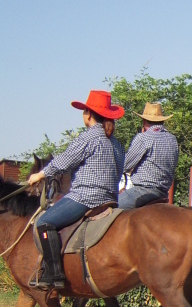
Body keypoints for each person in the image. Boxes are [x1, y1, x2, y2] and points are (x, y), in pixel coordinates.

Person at [27, 89, 125, 290]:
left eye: (84, 111)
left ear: (88, 114)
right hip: (110, 199)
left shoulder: (89, 137)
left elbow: (64, 161)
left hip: (86, 197)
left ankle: (54, 274)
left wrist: (39, 174)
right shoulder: (116, 143)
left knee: (44, 222)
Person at [118, 102, 179, 208]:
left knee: (112, 208)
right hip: (163, 192)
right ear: (162, 121)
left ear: (144, 121)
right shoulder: (172, 139)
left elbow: (125, 165)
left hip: (143, 191)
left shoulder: (143, 137)